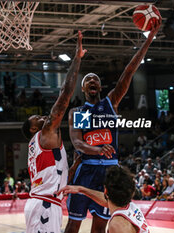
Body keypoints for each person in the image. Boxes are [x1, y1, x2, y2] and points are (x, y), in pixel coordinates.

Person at [65, 20, 161, 233]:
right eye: (88, 80)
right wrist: (97, 150)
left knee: (100, 227)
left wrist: (149, 39)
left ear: (99, 86)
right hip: (87, 169)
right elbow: (78, 143)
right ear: (83, 88)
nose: (92, 81)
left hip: (110, 171)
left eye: (95, 80)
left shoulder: (110, 102)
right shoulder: (79, 113)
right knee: (73, 225)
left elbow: (129, 71)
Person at [21, 31, 86, 233]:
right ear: (33, 129)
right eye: (38, 119)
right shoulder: (44, 133)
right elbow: (65, 94)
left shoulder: (40, 145)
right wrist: (77, 59)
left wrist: (74, 165)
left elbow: (56, 176)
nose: (43, 118)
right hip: (44, 205)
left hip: (47, 203)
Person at [58, 166, 150, 233]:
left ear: (105, 190)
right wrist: (81, 189)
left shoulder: (118, 224)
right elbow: (105, 200)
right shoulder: (130, 206)